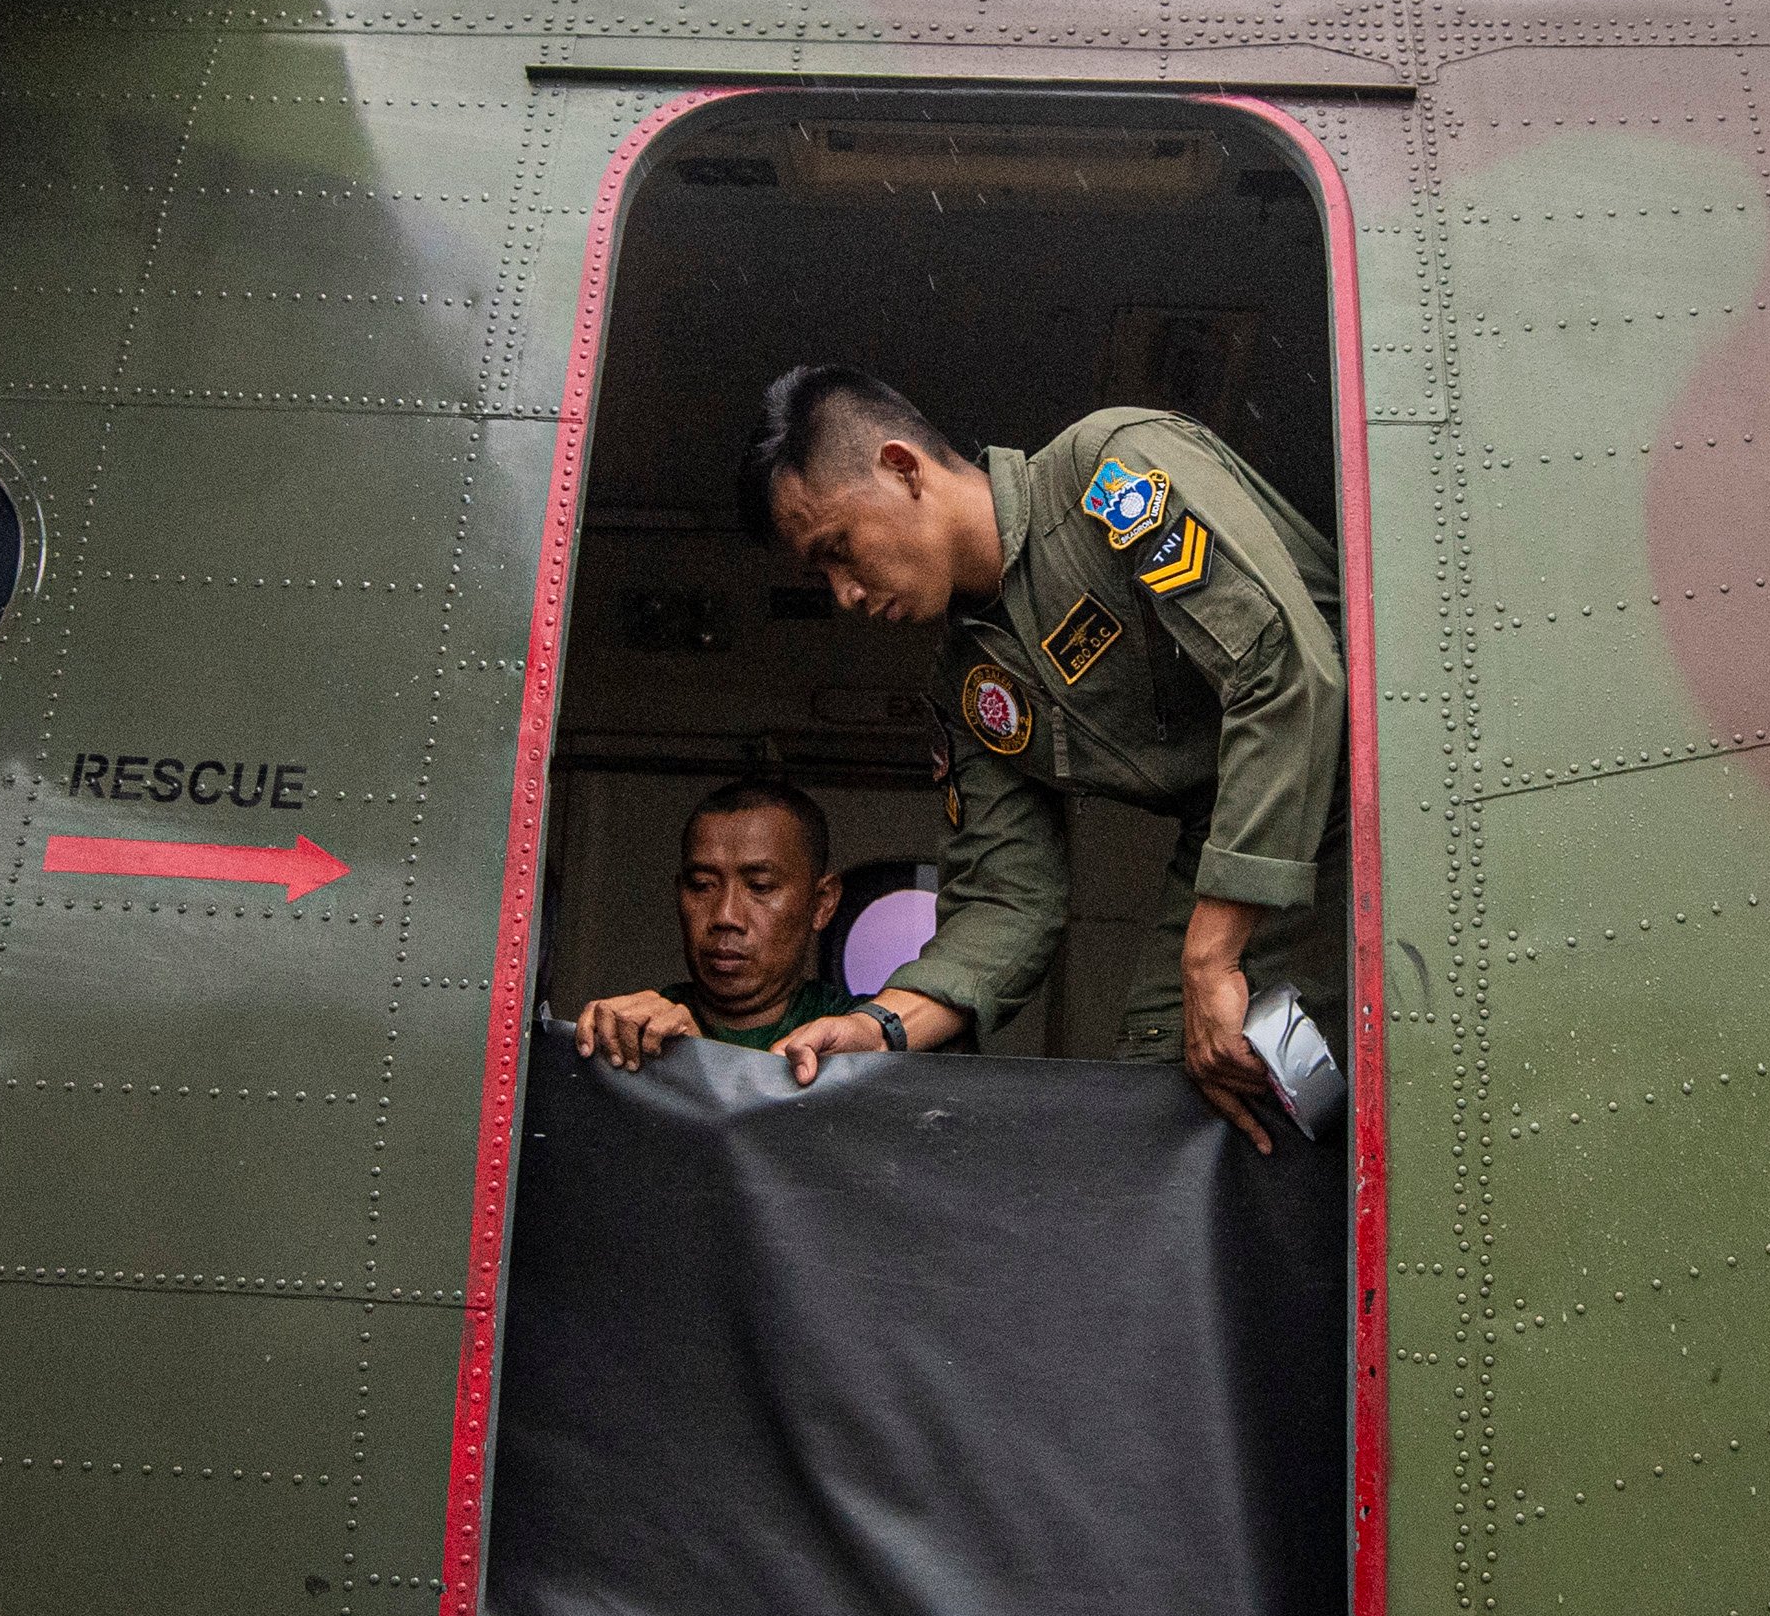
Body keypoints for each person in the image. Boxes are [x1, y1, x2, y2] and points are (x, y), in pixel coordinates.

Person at [737, 366, 1344, 1152]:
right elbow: (1005, 901)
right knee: (1168, 1077)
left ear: (901, 467)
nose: (842, 594)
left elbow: (1285, 670)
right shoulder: (965, 687)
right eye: (820, 574)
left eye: (838, 550)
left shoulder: (1111, 470)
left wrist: (1210, 954)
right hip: (1237, 835)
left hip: (1353, 780)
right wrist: (876, 1025)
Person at [571, 776, 854, 1067]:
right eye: (702, 885)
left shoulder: (856, 1035)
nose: (725, 916)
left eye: (759, 886)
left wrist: (700, 1064)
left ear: (822, 903)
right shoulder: (635, 1031)